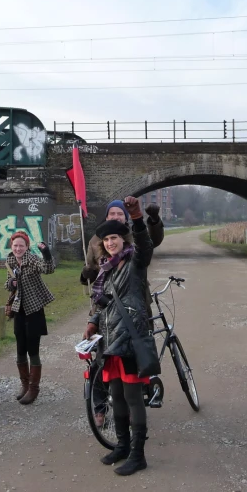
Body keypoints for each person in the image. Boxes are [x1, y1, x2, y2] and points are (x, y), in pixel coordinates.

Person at [83, 196, 154, 476]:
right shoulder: (108, 269)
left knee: (133, 396)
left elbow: (146, 244)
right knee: (116, 393)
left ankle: (139, 454)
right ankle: (122, 446)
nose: (111, 243)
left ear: (124, 240)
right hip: (111, 340)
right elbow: (104, 303)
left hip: (132, 339)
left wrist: (136, 217)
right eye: (107, 240)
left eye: (115, 238)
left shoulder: (135, 262)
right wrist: (92, 322)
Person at [4, 231, 55, 405]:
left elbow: (48, 269)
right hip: (19, 310)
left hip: (34, 310)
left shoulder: (32, 260)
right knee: (20, 349)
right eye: (15, 245)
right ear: (11, 246)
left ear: (27, 247)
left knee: (33, 349)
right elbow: (7, 283)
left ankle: (34, 388)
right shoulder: (10, 261)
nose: (18, 248)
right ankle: (24, 385)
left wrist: (46, 254)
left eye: (21, 245)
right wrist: (11, 283)